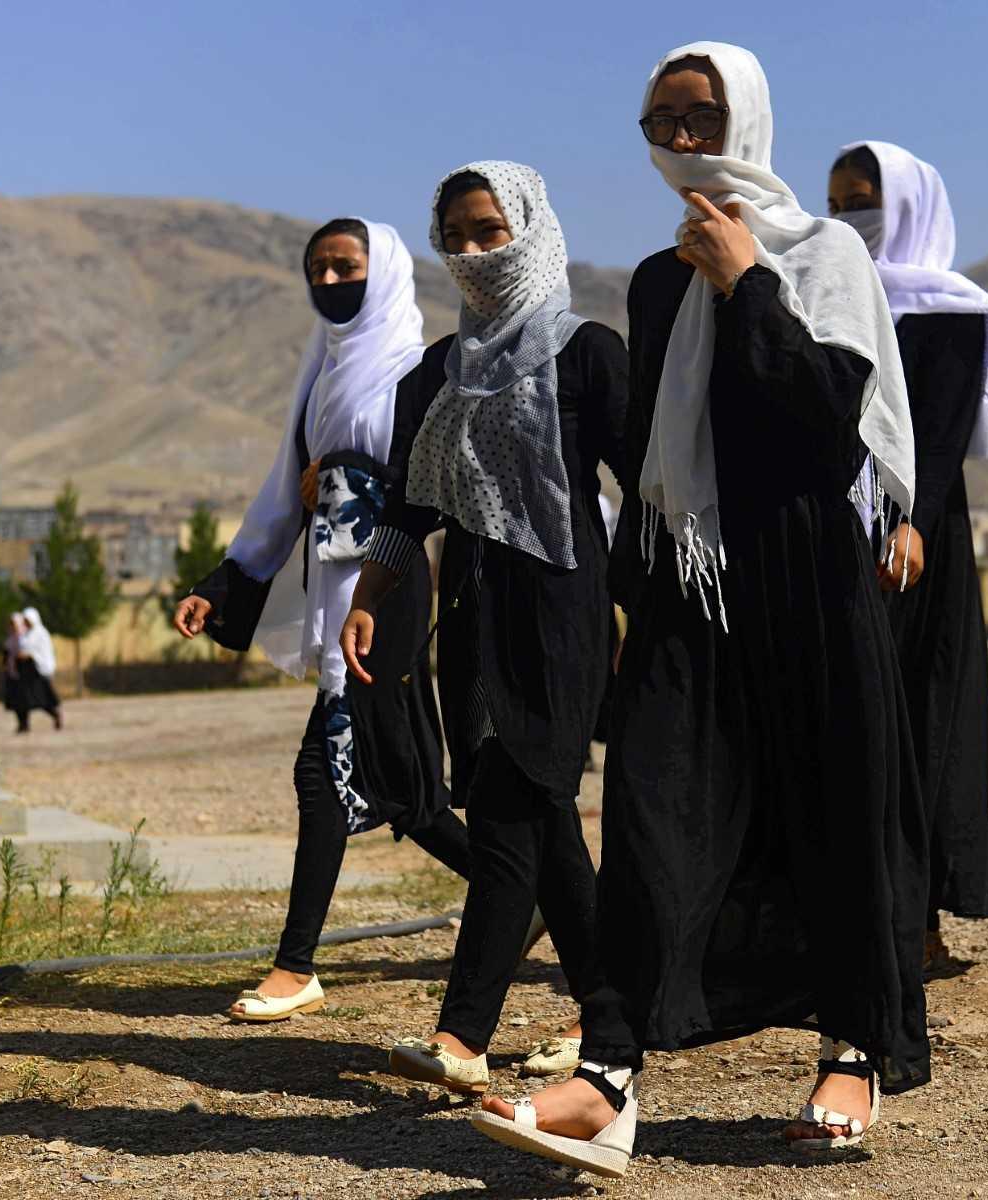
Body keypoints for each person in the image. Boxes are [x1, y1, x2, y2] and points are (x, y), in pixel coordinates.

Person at [472, 44, 928, 1176]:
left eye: (702, 118)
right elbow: (651, 454)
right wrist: (629, 594)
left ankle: (854, 1048)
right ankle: (609, 1076)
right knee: (650, 813)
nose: (682, 141)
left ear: (748, 121)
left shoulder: (822, 254)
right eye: (662, 122)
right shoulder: (656, 278)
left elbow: (827, 419)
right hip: (691, 581)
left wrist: (747, 281)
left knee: (832, 810)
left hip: (807, 577)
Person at [342, 163, 626, 1095]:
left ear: (530, 229)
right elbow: (408, 505)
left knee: (511, 813)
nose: (471, 251)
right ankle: (613, 1018)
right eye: (454, 235)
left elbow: (648, 488)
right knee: (540, 818)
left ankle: (462, 1035)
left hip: (561, 616)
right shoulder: (438, 372)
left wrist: (659, 608)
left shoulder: (587, 353)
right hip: (469, 617)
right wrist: (369, 596)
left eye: (488, 230)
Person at [172, 217, 473, 1023]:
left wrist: (345, 475)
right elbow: (284, 489)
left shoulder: (421, 371)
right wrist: (223, 585)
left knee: (329, 773)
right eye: (319, 269)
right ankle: (524, 892)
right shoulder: (323, 372)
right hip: (334, 594)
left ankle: (295, 965)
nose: (332, 282)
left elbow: (438, 487)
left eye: (347, 267)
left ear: (385, 273)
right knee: (400, 785)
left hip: (390, 591)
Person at [827, 140, 988, 969]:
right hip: (837, 526)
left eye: (862, 200)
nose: (848, 218)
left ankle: (917, 922)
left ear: (908, 205)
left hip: (916, 534)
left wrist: (911, 521)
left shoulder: (949, 310)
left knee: (917, 718)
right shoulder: (826, 295)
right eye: (836, 205)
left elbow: (940, 435)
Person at [3, 609, 62, 733]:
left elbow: (41, 652)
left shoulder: (41, 633)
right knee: (20, 701)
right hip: (21, 672)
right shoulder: (23, 635)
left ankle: (55, 714)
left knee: (40, 698)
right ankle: (23, 725)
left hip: (35, 671)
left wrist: (29, 655)